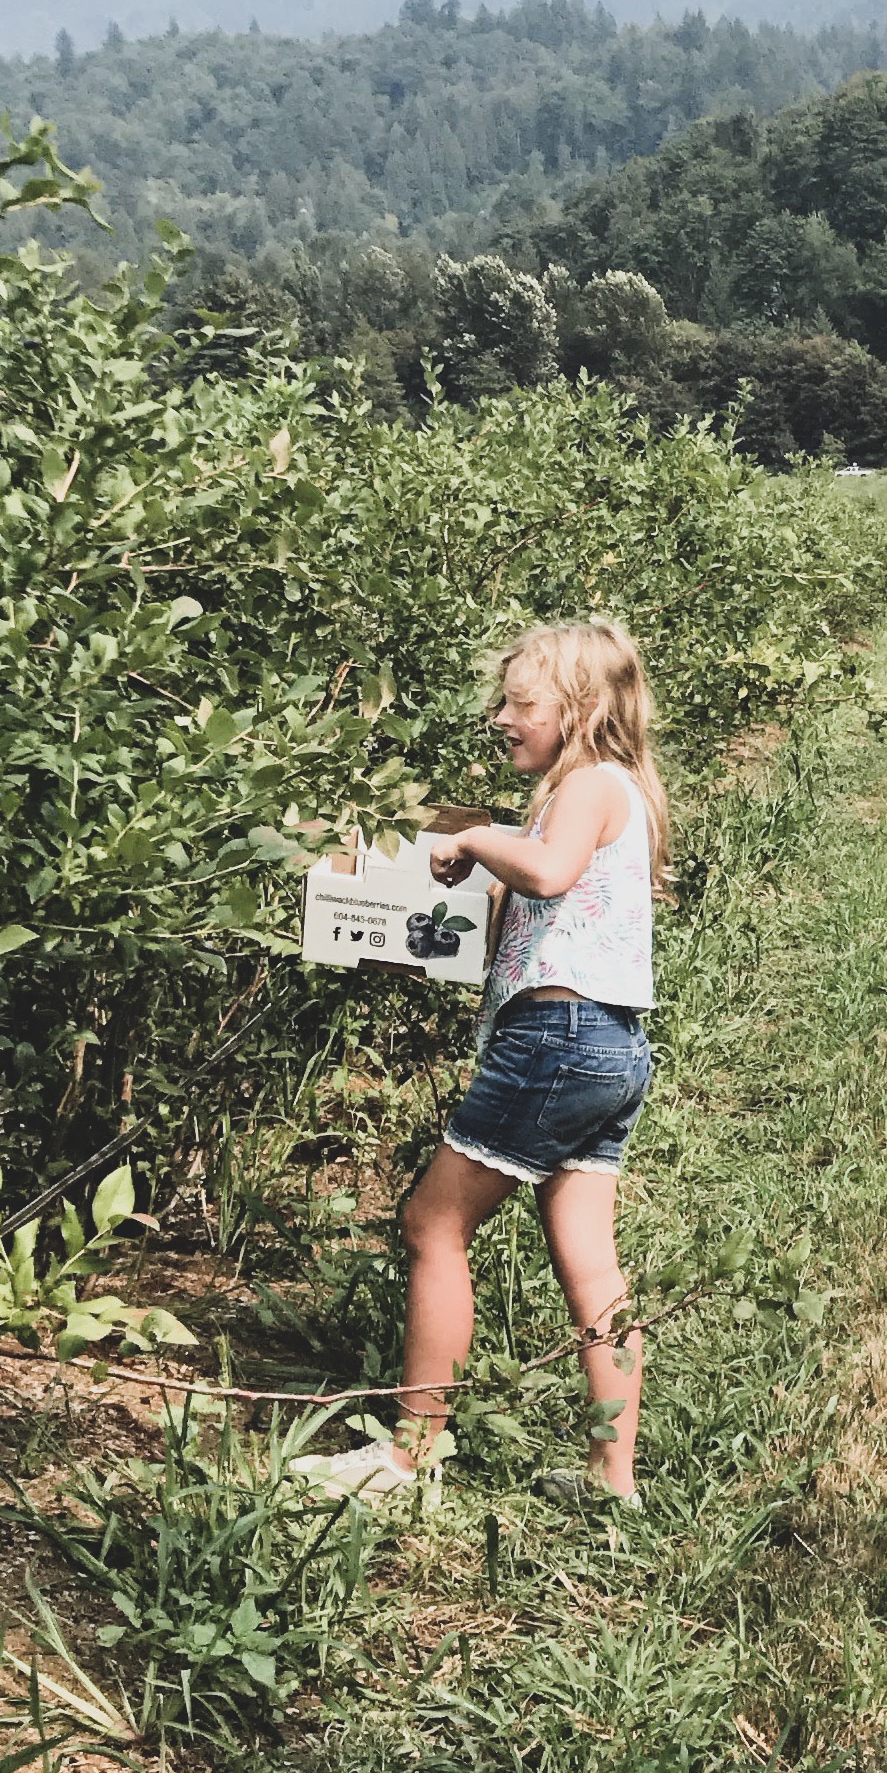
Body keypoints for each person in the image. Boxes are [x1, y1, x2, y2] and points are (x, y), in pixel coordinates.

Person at [296, 619, 663, 1512]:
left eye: (519, 702)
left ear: (577, 712)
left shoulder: (586, 787)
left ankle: (409, 1458)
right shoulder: (607, 793)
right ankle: (613, 1481)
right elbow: (539, 898)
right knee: (592, 1266)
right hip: (609, 1047)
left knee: (432, 1225)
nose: (500, 717)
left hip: (558, 1041)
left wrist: (482, 840)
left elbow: (544, 873)